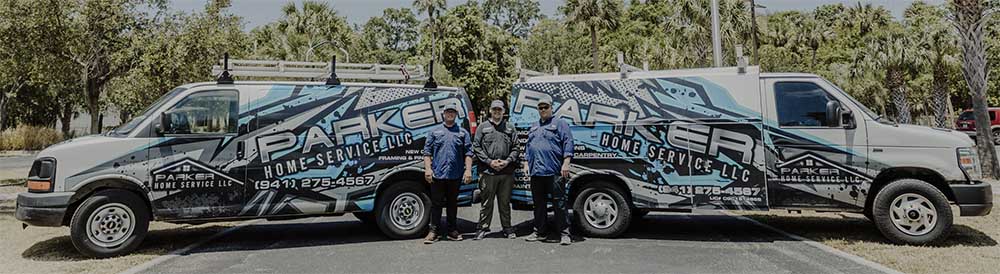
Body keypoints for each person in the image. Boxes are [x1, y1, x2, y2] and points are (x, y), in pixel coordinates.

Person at [523, 98, 574, 245]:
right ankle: (540, 232)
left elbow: (568, 142)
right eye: (540, 108)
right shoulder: (534, 126)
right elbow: (528, 146)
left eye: (546, 107)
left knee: (559, 204)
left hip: (554, 171)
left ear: (552, 108)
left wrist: (566, 162)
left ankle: (565, 234)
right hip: (536, 172)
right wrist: (526, 163)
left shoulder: (560, 123)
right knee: (538, 204)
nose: (543, 110)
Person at [422, 105, 473, 244]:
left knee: (452, 204)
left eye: (453, 112)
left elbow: (468, 153)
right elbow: (427, 152)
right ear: (443, 114)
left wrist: (468, 171)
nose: (450, 114)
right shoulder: (434, 132)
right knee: (436, 204)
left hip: (455, 175)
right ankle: (433, 231)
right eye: (448, 112)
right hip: (437, 175)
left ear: (456, 114)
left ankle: (452, 230)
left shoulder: (462, 133)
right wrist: (428, 169)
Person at [472, 100, 518, 240]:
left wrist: (507, 161)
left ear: (504, 111)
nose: (497, 112)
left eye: (500, 109)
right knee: (486, 202)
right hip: (488, 172)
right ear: (490, 111)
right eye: (494, 109)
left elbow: (516, 147)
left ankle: (507, 228)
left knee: (505, 203)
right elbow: (476, 146)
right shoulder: (483, 127)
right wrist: (489, 162)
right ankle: (482, 228)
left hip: (506, 172)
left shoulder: (510, 128)